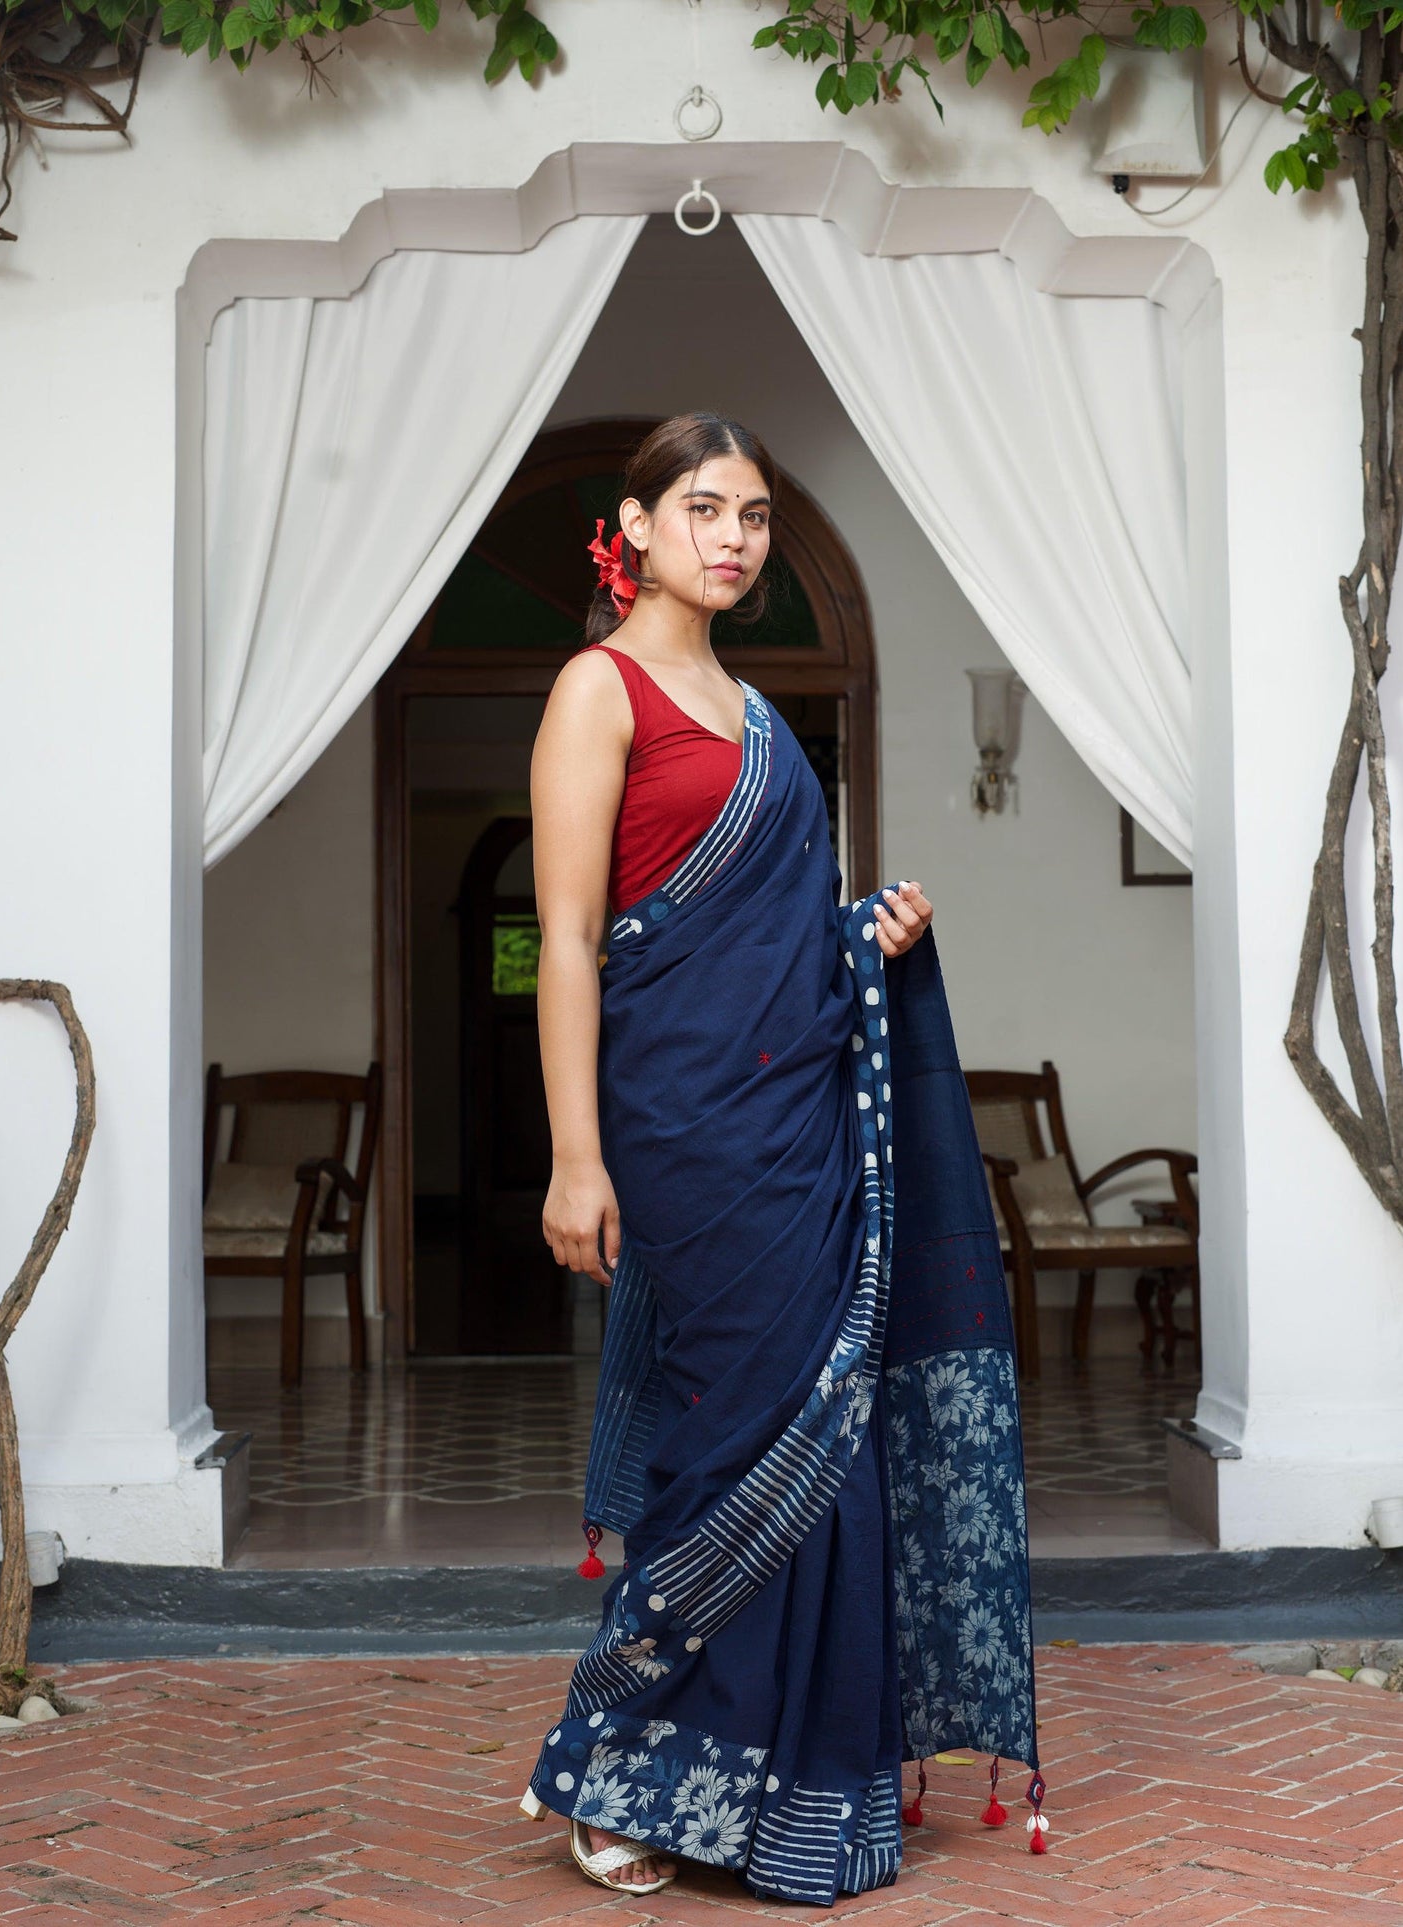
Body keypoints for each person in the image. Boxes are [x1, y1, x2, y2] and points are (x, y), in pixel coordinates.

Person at [518, 412, 1042, 1905]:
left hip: (800, 1121)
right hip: (681, 1126)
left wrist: (868, 941)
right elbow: (569, 939)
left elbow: (779, 939)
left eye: (752, 514)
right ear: (635, 526)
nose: (735, 537)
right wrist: (574, 1156)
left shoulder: (755, 714)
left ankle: (790, 1781)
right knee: (727, 1434)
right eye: (705, 508)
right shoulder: (598, 691)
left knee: (825, 1428)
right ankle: (619, 1765)